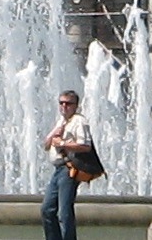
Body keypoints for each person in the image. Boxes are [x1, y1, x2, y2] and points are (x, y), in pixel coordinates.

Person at [41, 90, 94, 240]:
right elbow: (46, 145)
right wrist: (54, 136)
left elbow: (86, 146)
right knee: (47, 209)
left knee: (64, 213)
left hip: (69, 169)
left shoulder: (79, 121)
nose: (64, 106)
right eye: (61, 103)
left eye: (68, 103)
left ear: (76, 106)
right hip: (58, 170)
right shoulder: (61, 121)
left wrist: (64, 144)